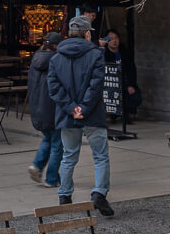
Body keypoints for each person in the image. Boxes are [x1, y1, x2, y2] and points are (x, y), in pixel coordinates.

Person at [48, 15, 113, 216]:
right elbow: (96, 85)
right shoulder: (95, 54)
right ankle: (99, 193)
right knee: (100, 156)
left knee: (69, 155)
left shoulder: (56, 57)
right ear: (86, 33)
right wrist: (83, 108)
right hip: (92, 113)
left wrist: (71, 108)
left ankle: (65, 195)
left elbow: (53, 87)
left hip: (67, 115)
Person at [26, 32, 63, 189]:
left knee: (48, 139)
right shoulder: (57, 60)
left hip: (38, 108)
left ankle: (37, 165)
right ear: (56, 46)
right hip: (53, 109)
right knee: (57, 144)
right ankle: (52, 178)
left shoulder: (36, 58)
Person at [101, 29, 141, 122]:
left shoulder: (124, 52)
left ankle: (126, 113)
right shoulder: (105, 54)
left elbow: (131, 69)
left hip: (125, 81)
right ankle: (114, 114)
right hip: (111, 82)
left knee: (135, 96)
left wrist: (131, 84)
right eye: (111, 39)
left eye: (116, 38)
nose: (114, 41)